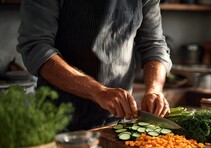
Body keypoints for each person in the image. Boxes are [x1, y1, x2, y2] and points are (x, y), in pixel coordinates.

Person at [17, 0, 172, 131]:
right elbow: (37, 47)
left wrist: (154, 89)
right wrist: (97, 91)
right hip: (57, 120)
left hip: (118, 122)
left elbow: (154, 45)